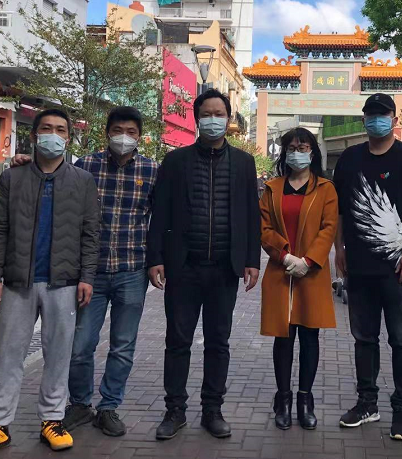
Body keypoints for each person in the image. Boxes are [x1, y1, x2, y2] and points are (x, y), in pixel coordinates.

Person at [9, 107, 158, 437]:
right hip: (90, 273)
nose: (124, 137)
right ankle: (79, 403)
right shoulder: (85, 166)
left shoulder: (151, 170)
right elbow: (49, 175)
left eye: (131, 132)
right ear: (106, 133)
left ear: (139, 136)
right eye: (117, 130)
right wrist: (24, 161)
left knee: (123, 345)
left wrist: (157, 261)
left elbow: (160, 218)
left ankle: (109, 407)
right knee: (80, 345)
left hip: (132, 269)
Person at [0, 109, 100, 456]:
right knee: (8, 355)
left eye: (60, 129)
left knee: (58, 355)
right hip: (18, 282)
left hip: (64, 282)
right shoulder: (12, 178)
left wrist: (86, 277)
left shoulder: (82, 181)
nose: (53, 134)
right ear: (33, 136)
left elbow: (91, 233)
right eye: (46, 128)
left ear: (68, 138)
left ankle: (52, 419)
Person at [147, 89, 261, 440]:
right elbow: (160, 212)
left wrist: (251, 260)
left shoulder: (244, 163)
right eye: (207, 114)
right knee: (177, 341)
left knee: (218, 342)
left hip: (225, 269)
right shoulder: (175, 161)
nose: (213, 119)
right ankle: (175, 410)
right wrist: (155, 258)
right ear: (197, 119)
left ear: (229, 119)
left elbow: (251, 215)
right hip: (184, 267)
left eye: (219, 114)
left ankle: (213, 409)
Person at [333, 93, 402, 441]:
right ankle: (367, 403)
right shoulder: (349, 159)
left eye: (383, 114)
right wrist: (338, 249)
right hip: (359, 268)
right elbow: (340, 210)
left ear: (394, 119)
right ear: (364, 119)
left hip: (398, 270)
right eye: (371, 114)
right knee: (364, 338)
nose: (377, 120)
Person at [259, 127, 338, 431]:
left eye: (303, 147)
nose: (297, 153)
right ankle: (283, 399)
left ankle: (305, 400)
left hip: (312, 274)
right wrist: (285, 256)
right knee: (283, 337)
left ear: (312, 152)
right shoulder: (272, 188)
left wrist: (308, 261)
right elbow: (264, 228)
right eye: (292, 148)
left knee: (309, 336)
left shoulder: (326, 189)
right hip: (281, 272)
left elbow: (329, 229)